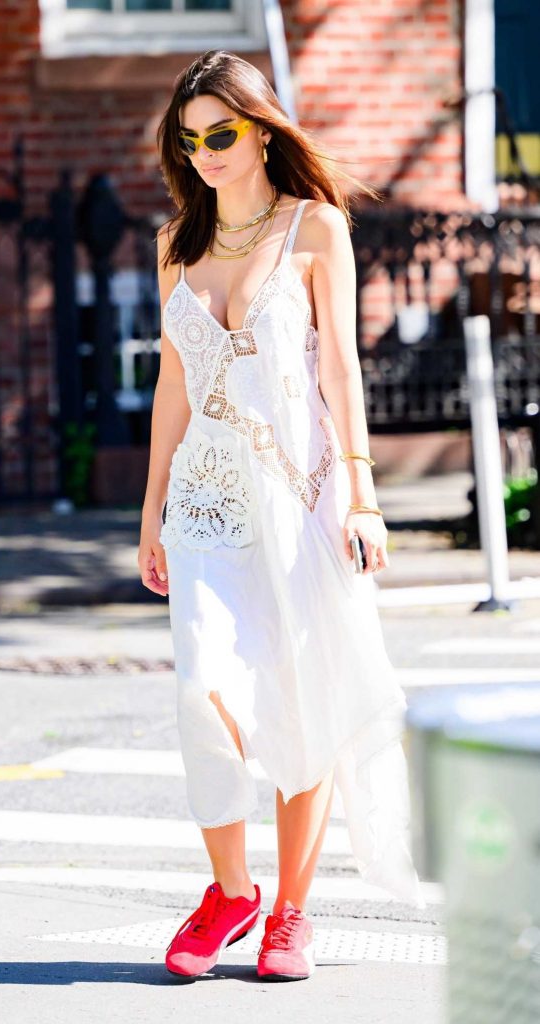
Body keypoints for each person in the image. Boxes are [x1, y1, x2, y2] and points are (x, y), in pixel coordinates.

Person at [137, 49, 425, 983]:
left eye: (222, 133)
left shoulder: (315, 230)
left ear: (262, 128)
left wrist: (365, 494)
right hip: (204, 504)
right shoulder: (175, 242)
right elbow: (172, 387)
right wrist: (149, 513)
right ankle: (231, 891)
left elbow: (339, 369)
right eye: (192, 140)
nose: (208, 153)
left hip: (298, 495)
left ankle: (291, 912)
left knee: (303, 699)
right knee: (200, 689)